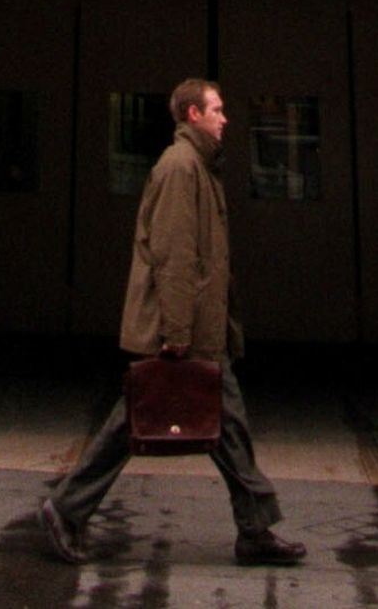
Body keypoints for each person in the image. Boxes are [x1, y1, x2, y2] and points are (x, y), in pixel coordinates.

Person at [40, 78, 305, 568]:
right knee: (140, 423)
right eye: (217, 110)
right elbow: (175, 257)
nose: (226, 118)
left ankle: (254, 529)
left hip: (201, 328)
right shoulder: (181, 168)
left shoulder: (198, 167)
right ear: (192, 115)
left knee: (224, 429)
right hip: (188, 332)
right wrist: (177, 334)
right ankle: (65, 508)